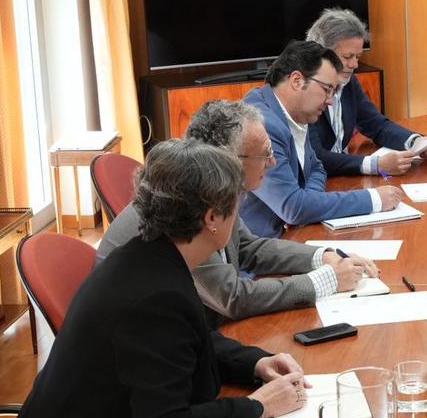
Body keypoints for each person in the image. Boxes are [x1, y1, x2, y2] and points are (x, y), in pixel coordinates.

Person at [0, 140, 310, 418]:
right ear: (212, 217)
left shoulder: (146, 257)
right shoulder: (155, 294)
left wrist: (256, 364)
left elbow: (186, 340)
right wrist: (260, 406)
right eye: (237, 203)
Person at [97, 100, 378, 322]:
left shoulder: (209, 186)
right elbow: (231, 298)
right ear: (229, 159)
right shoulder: (183, 204)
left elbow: (247, 247)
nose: (273, 161)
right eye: (265, 152)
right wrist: (326, 280)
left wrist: (323, 257)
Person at [240, 40, 404, 238]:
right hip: (256, 252)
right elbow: (293, 208)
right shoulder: (262, 125)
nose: (330, 100)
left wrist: (310, 198)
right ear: (297, 80)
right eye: (327, 89)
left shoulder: (295, 111)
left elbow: (316, 166)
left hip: (287, 235)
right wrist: (373, 199)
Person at [306, 8, 427, 176]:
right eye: (347, 57)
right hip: (315, 183)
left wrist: (416, 142)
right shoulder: (304, 89)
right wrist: (376, 164)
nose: (354, 64)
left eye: (358, 57)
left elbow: (376, 125)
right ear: (321, 53)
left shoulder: (348, 81)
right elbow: (315, 156)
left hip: (341, 176)